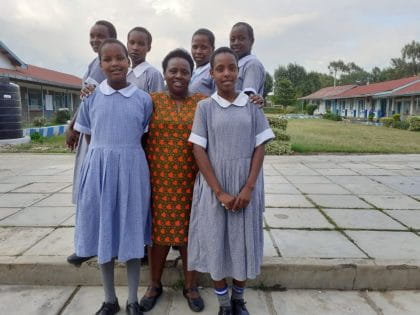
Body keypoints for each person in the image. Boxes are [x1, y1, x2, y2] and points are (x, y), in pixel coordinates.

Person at [187, 47, 274, 315]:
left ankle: (239, 300)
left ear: (238, 71)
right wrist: (219, 191)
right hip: (215, 187)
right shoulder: (205, 108)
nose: (227, 73)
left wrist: (248, 188)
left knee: (242, 242)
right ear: (211, 73)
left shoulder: (251, 106)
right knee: (215, 241)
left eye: (232, 68)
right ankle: (224, 305)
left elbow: (260, 146)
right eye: (220, 69)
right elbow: (198, 149)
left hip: (245, 185)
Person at [74, 38, 153, 315]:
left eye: (119, 58)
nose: (114, 63)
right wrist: (102, 158)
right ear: (100, 64)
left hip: (133, 170)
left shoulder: (143, 99)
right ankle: (109, 299)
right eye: (107, 60)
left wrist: (121, 156)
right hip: (99, 171)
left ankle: (132, 300)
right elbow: (87, 133)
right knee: (102, 233)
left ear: (127, 61)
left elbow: (143, 135)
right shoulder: (91, 97)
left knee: (131, 234)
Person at [139, 49, 206, 313]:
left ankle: (190, 286)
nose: (178, 76)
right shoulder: (150, 100)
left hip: (193, 179)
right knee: (159, 235)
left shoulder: (202, 102)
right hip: (158, 180)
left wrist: (254, 99)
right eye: (173, 70)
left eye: (184, 71)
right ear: (165, 73)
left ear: (191, 74)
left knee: (192, 234)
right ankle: (154, 285)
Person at [66, 20, 118, 267]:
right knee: (89, 195)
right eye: (92, 36)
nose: (95, 40)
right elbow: (86, 100)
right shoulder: (94, 63)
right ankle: (88, 243)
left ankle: (94, 244)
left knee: (96, 194)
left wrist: (72, 125)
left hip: (97, 140)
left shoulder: (103, 65)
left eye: (101, 36)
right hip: (91, 138)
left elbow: (90, 99)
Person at [229, 22, 265, 96]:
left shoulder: (252, 64)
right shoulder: (235, 65)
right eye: (232, 40)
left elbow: (247, 98)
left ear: (251, 41)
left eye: (241, 39)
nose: (236, 43)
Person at [126, 27, 165, 93]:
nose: (135, 48)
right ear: (127, 44)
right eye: (132, 43)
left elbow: (158, 102)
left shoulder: (153, 74)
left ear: (148, 48)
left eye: (141, 44)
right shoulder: (125, 72)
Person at [189, 28, 215, 96]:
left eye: (203, 47)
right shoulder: (190, 72)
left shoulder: (214, 72)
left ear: (213, 49)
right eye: (195, 47)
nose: (198, 52)